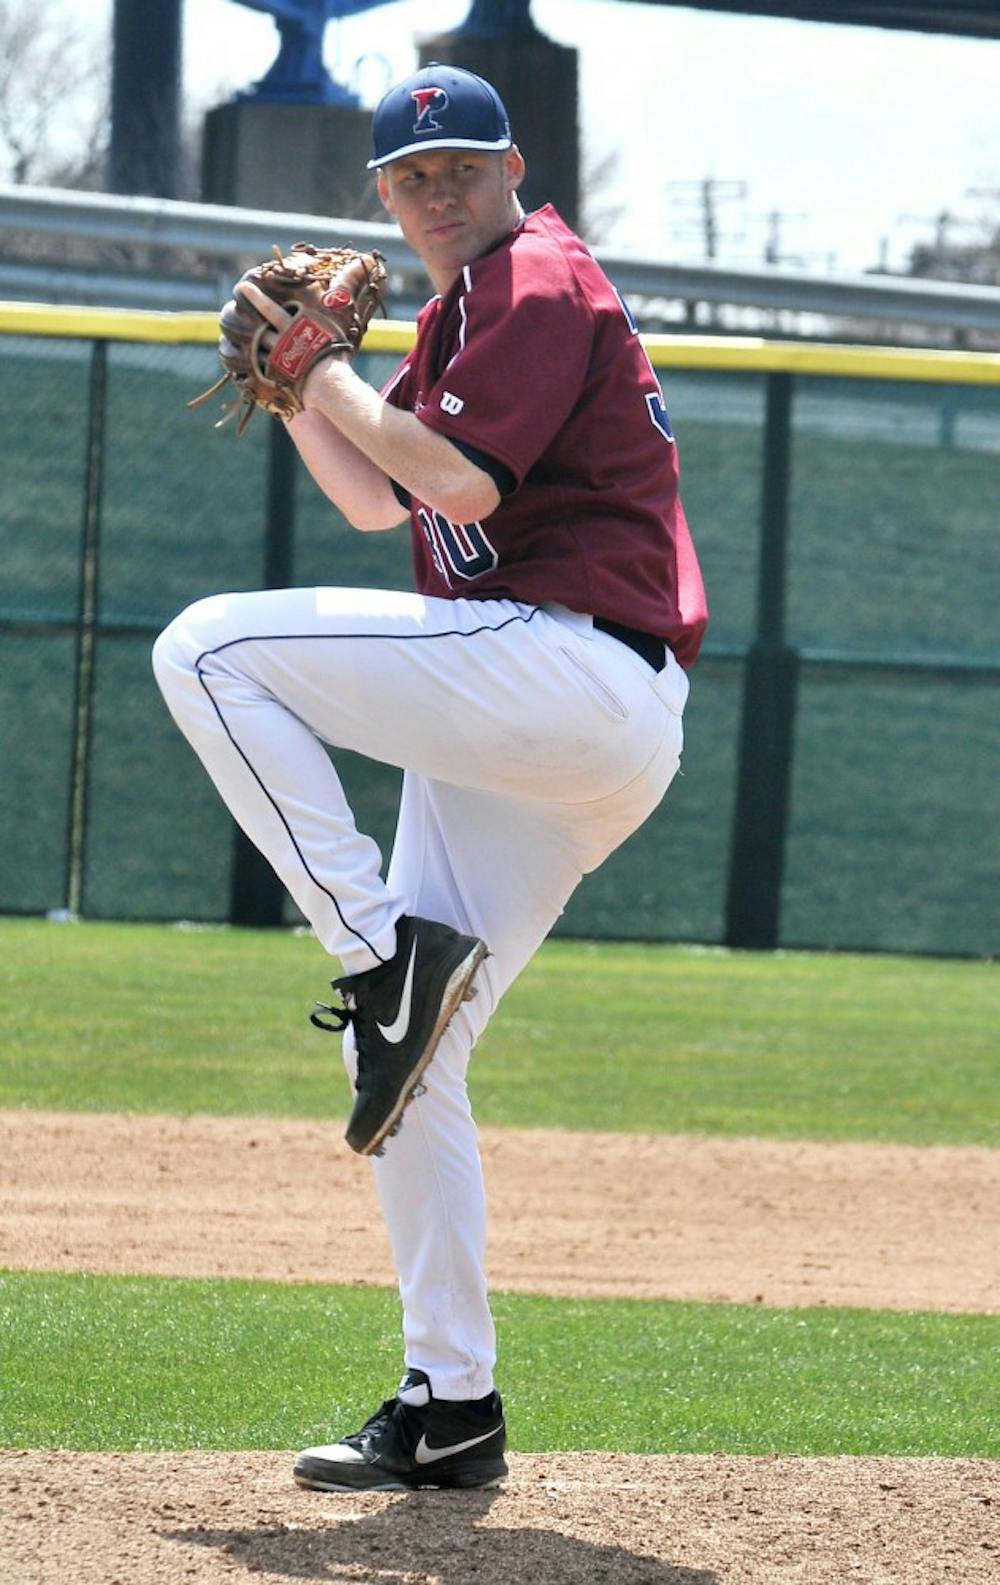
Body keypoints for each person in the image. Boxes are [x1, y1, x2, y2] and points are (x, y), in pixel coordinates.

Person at [152, 62, 707, 1493]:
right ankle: (450, 1402)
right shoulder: (465, 315)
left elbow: (456, 487)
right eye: (411, 176)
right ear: (384, 200)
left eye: (462, 163)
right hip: (561, 719)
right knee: (405, 1063)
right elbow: (373, 490)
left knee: (209, 649)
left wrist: (322, 365)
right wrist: (297, 393)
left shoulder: (534, 275)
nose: (439, 190)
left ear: (511, 167)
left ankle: (375, 946)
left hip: (569, 668)